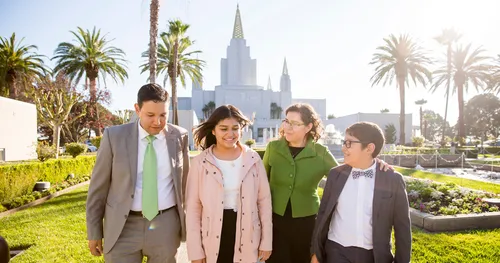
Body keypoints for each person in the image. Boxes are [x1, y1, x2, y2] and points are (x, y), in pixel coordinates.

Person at [263, 103, 391, 263]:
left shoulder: (321, 153)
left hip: (307, 223)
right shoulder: (273, 147)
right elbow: (260, 183)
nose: (288, 127)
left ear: (308, 127)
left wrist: (374, 162)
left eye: (295, 124)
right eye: (286, 121)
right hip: (275, 221)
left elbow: (346, 174)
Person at [86, 83, 190, 263]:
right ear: (137, 109)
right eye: (150, 115)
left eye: (163, 115)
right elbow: (98, 187)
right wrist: (94, 231)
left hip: (165, 226)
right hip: (122, 227)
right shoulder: (114, 136)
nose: (157, 122)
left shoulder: (179, 136)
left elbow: (186, 184)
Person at [311, 122, 411, 263]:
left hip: (374, 256)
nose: (343, 148)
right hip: (336, 252)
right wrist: (316, 253)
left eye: (349, 143)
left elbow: (403, 229)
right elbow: (323, 215)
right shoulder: (335, 175)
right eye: (344, 142)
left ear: (369, 148)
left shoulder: (392, 179)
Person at [186, 105, 273, 263]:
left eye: (235, 128)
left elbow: (264, 202)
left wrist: (267, 240)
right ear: (213, 130)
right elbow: (193, 209)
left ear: (241, 129)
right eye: (223, 129)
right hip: (212, 234)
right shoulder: (200, 162)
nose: (230, 134)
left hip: (248, 233)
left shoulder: (253, 159)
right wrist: (195, 250)